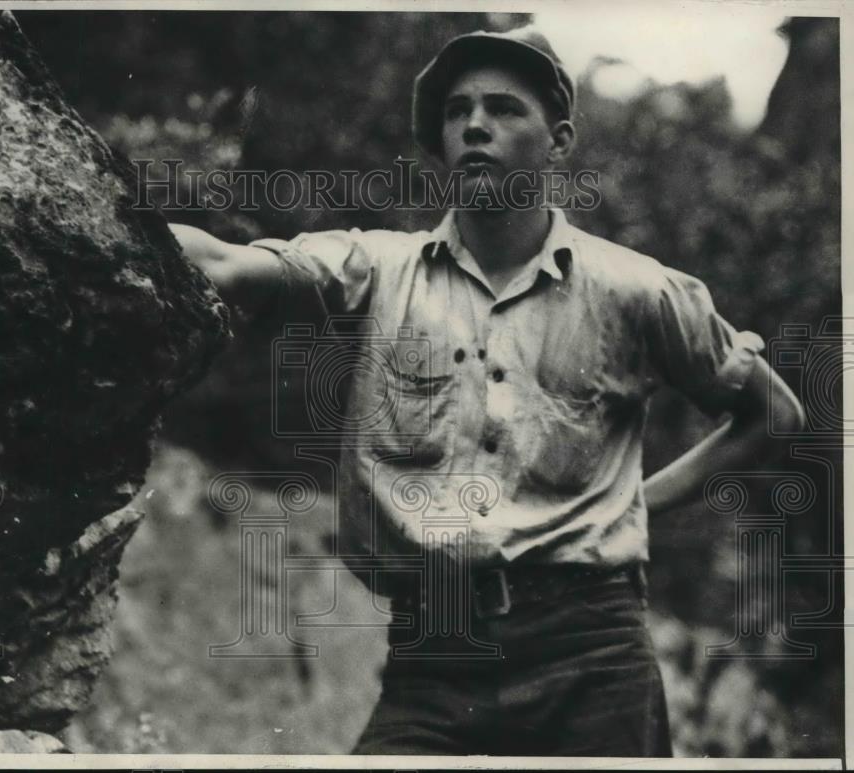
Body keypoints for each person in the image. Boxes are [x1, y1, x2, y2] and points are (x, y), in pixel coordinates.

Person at [173, 26, 805, 756]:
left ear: (558, 140)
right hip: (433, 658)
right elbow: (226, 263)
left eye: (505, 109)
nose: (475, 125)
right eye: (457, 111)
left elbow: (773, 414)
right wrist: (113, 205)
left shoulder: (637, 289)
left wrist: (639, 499)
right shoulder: (380, 268)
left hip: (591, 657)